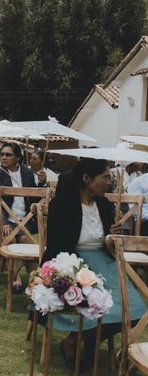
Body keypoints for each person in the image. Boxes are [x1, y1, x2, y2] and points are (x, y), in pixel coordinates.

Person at [43, 158, 146, 369]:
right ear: (86, 178)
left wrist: (111, 235)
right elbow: (55, 243)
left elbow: (106, 239)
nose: (109, 182)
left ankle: (82, 340)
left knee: (136, 309)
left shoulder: (104, 203)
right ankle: (79, 343)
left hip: (104, 261)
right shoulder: (62, 204)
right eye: (105, 177)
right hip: (73, 262)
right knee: (92, 303)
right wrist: (70, 273)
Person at [0, 142, 37, 287]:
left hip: (23, 220)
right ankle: (16, 280)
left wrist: (43, 185)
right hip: (3, 219)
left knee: (27, 241)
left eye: (8, 154)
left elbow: (34, 198)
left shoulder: (27, 173)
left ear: (18, 158)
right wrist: (4, 222)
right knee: (10, 240)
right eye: (1, 154)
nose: (3, 157)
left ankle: (35, 281)